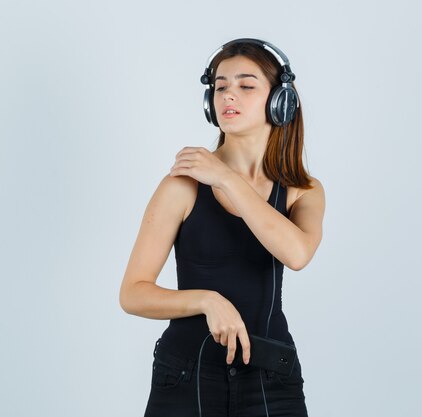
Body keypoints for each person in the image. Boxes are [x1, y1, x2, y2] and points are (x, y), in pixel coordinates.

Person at [119, 38, 325, 417]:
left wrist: (227, 179)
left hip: (271, 378)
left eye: (246, 86)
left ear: (281, 102)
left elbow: (296, 254)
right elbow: (132, 293)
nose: (230, 96)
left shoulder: (303, 191)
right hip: (186, 373)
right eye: (221, 86)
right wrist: (206, 300)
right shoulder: (181, 185)